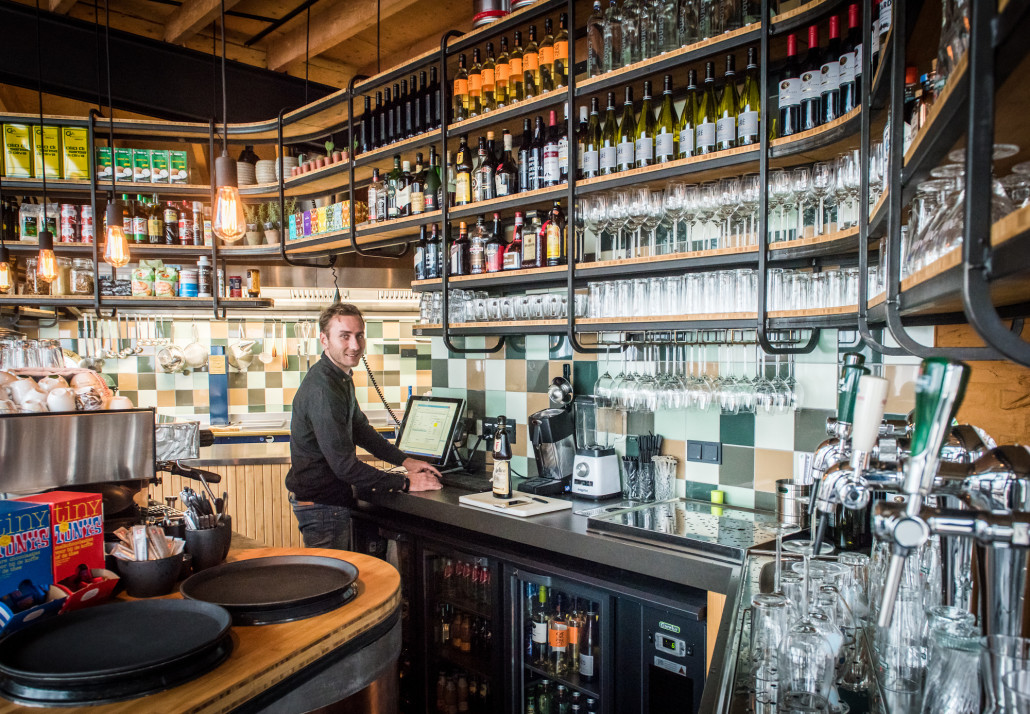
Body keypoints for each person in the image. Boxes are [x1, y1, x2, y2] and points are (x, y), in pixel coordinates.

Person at [286, 302, 442, 549]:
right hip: (323, 508)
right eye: (344, 336)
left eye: (359, 335)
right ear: (324, 340)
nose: (355, 345)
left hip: (328, 504)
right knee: (334, 584)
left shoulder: (339, 377)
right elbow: (345, 467)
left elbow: (361, 430)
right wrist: (405, 482)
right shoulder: (324, 388)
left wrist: (406, 461)